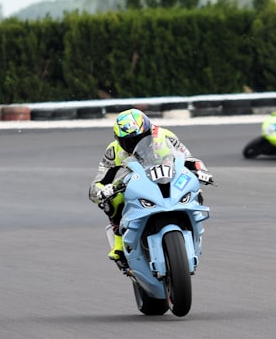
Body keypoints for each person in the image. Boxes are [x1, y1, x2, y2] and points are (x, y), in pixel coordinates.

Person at [88, 108, 212, 269]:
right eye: (128, 141)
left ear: (148, 131)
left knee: (195, 186)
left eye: (139, 138)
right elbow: (97, 183)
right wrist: (102, 191)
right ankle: (119, 240)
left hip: (167, 176)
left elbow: (188, 158)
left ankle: (192, 221)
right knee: (111, 200)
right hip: (134, 183)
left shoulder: (165, 136)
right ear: (118, 139)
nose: (133, 144)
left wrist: (202, 171)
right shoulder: (114, 150)